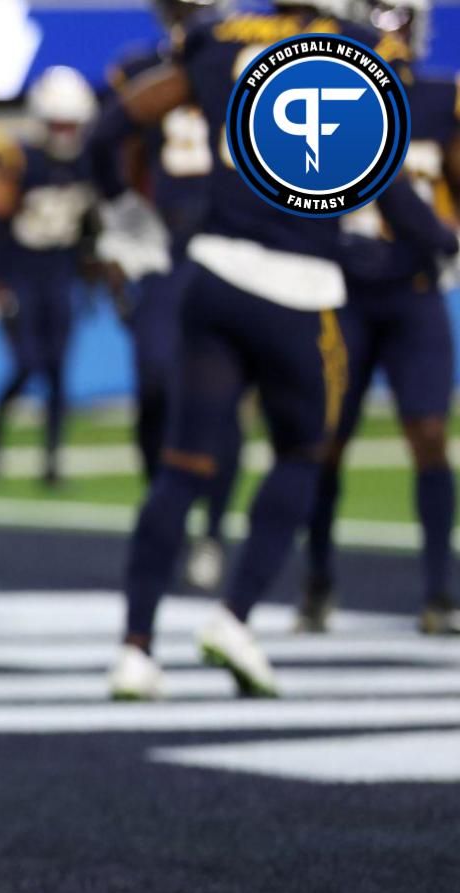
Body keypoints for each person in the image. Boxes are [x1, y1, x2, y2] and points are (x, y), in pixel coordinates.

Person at [105, 0, 450, 700]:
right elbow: (387, 188)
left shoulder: (215, 39)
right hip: (300, 289)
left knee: (180, 466)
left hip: (214, 268)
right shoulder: (350, 49)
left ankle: (135, 650)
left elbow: (109, 130)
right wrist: (442, 241)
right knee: (301, 454)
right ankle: (234, 619)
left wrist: (124, 212)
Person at [302, 0, 460, 635]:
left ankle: (439, 590)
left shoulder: (442, 96)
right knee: (326, 443)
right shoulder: (328, 89)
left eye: (398, 15)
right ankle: (316, 578)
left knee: (428, 435)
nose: (390, 28)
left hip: (413, 288)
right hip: (343, 290)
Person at [97, 0, 239, 591]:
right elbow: (115, 148)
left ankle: (212, 525)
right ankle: (167, 505)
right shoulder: (140, 69)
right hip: (165, 244)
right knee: (155, 386)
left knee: (225, 399)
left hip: (232, 238)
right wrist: (123, 225)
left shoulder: (244, 57)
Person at [0, 67, 98, 486]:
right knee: (29, 362)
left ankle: (51, 461)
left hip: (61, 273)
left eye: (71, 123)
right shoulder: (19, 160)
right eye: (59, 123)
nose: (65, 131)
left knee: (59, 371)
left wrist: (95, 274)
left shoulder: (89, 161)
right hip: (24, 274)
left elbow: (91, 228)